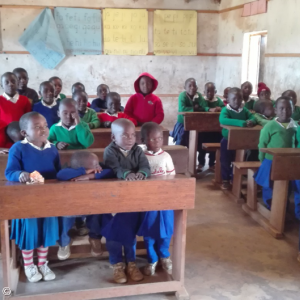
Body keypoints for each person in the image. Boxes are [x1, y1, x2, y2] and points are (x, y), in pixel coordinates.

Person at [5, 112, 60, 283]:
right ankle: (29, 265)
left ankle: (42, 263)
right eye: (37, 127)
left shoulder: (52, 148)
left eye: (45, 125)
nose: (43, 129)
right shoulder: (19, 148)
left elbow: (57, 172)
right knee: (30, 233)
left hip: (48, 199)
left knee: (46, 232)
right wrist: (20, 174)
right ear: (24, 133)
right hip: (26, 201)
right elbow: (10, 172)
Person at [103, 119, 150, 284]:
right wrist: (126, 174)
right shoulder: (110, 151)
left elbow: (145, 166)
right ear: (113, 137)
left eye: (133, 135)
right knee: (114, 234)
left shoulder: (137, 150)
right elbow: (114, 169)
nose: (130, 139)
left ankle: (131, 262)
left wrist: (142, 174)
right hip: (115, 197)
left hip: (133, 197)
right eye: (125, 135)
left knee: (129, 233)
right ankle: (116, 264)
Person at [56, 151, 114, 258]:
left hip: (91, 206)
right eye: (95, 165)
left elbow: (110, 172)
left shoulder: (98, 171)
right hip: (72, 207)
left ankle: (95, 238)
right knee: (64, 216)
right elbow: (60, 174)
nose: (98, 167)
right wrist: (83, 171)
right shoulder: (69, 172)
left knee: (97, 213)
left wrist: (91, 175)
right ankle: (64, 242)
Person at [139, 122, 175, 276]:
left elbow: (172, 178)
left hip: (165, 199)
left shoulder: (166, 156)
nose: (157, 141)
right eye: (153, 139)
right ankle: (151, 259)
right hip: (147, 200)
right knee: (149, 232)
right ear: (144, 140)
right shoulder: (141, 156)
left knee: (166, 230)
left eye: (160, 138)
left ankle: (164, 255)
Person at [254, 97, 297, 210]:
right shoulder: (270, 126)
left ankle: (283, 204)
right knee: (269, 184)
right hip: (270, 160)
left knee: (286, 183)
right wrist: (262, 160)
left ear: (293, 110)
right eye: (281, 108)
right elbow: (262, 144)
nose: (285, 111)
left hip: (288, 160)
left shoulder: (295, 126)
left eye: (289, 108)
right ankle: (270, 204)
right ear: (276, 110)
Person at [219, 87, 257, 190]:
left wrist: (251, 122)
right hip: (227, 140)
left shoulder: (243, 110)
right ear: (228, 99)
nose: (237, 101)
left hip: (241, 141)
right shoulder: (225, 110)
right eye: (234, 99)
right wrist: (241, 123)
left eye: (239, 98)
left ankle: (234, 178)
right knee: (225, 161)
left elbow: (253, 117)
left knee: (239, 160)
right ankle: (225, 179)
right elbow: (223, 120)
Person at [198, 82, 224, 171]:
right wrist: (209, 109)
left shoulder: (218, 101)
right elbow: (202, 107)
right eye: (207, 91)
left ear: (215, 91)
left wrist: (220, 109)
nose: (209, 93)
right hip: (204, 129)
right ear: (204, 92)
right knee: (201, 147)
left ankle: (211, 164)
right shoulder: (202, 100)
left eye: (211, 91)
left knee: (214, 147)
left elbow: (224, 108)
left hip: (215, 129)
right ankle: (201, 163)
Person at [171, 78, 205, 147]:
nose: (192, 88)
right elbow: (183, 109)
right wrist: (195, 108)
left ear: (197, 88)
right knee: (181, 138)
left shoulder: (199, 96)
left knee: (199, 138)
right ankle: (179, 152)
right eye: (189, 86)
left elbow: (204, 107)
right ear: (185, 88)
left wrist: (197, 108)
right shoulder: (182, 96)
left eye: (194, 86)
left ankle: (194, 153)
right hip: (183, 123)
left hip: (195, 123)